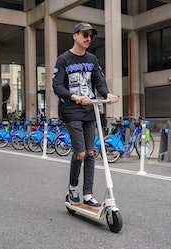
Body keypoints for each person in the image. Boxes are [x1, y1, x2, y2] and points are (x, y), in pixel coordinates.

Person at [52, 22, 119, 208]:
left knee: (90, 153)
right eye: (84, 34)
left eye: (91, 36)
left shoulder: (92, 59)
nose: (88, 38)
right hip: (71, 110)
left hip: (90, 111)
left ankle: (88, 194)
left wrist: (108, 94)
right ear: (75, 36)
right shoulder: (63, 59)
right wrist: (73, 97)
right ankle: (73, 188)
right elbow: (57, 86)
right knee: (80, 153)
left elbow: (99, 81)